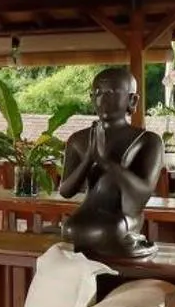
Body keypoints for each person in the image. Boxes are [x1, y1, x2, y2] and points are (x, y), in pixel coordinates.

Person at [57, 66, 164, 258]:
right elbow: (66, 191)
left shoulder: (148, 140)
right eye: (97, 93)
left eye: (111, 93)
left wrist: (106, 162)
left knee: (108, 231)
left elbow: (143, 193)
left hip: (122, 216)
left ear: (132, 100)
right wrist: (89, 159)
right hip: (87, 215)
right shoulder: (79, 139)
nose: (103, 99)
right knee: (70, 228)